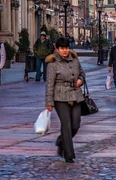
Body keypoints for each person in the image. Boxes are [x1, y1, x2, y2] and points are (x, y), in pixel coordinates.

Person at [45, 36, 85, 164]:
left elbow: (82, 73)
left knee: (75, 124)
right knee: (66, 124)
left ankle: (61, 141)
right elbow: (49, 84)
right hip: (60, 97)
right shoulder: (52, 64)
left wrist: (81, 80)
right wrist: (49, 102)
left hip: (75, 95)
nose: (65, 51)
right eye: (62, 48)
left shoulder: (74, 60)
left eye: (66, 48)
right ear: (57, 49)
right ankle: (69, 154)